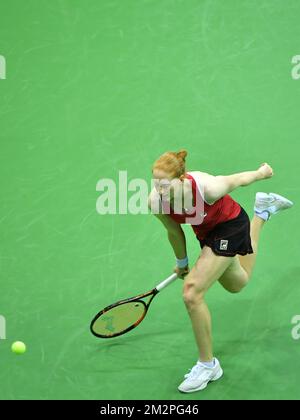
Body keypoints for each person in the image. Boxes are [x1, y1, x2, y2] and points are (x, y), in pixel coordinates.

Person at [148, 149, 294, 393]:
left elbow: (237, 179)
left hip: (231, 225)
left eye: (165, 185)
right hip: (207, 234)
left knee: (192, 293)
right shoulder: (156, 202)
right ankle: (263, 211)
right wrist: (182, 262)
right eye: (155, 184)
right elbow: (174, 231)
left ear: (181, 179)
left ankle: (208, 365)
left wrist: (261, 173)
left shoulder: (207, 187)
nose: (160, 191)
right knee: (239, 283)